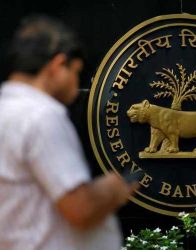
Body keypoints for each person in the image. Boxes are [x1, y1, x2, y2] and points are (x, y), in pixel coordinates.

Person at [0, 15, 138, 250]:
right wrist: (115, 187)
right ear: (57, 65)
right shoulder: (41, 116)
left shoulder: (7, 110)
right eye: (76, 73)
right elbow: (81, 209)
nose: (76, 87)